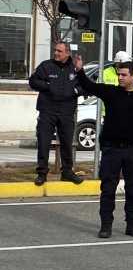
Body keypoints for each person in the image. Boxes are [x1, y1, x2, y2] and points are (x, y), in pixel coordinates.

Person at [74, 55, 133, 239]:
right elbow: (90, 86)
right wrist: (80, 71)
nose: (120, 77)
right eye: (119, 74)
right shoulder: (111, 92)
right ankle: (106, 226)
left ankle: (132, 225)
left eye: (124, 75)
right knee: (108, 188)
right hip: (112, 149)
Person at [28, 42, 83, 186]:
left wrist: (75, 91)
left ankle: (67, 173)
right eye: (55, 50)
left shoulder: (75, 68)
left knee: (66, 143)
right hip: (48, 110)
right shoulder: (46, 66)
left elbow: (84, 85)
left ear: (68, 53)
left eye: (59, 51)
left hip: (66, 111)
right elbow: (33, 81)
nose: (56, 53)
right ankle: (41, 173)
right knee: (44, 142)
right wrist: (47, 86)